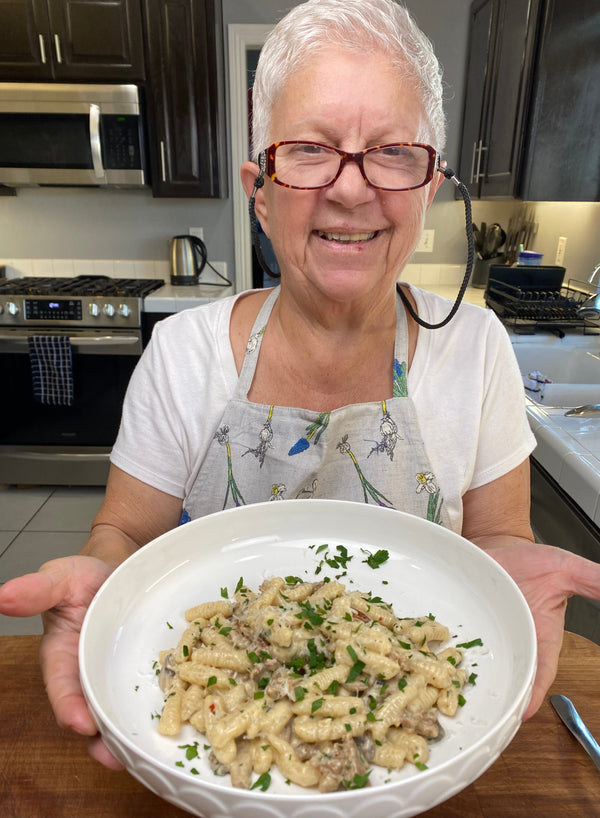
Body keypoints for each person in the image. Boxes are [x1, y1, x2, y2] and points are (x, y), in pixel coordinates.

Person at [1, 0, 600, 772]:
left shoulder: (476, 348)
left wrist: (508, 581)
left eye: (392, 152)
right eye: (312, 149)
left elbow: (498, 541)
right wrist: (103, 575)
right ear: (261, 189)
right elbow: (125, 538)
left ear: (429, 187)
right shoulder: (183, 354)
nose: (351, 191)